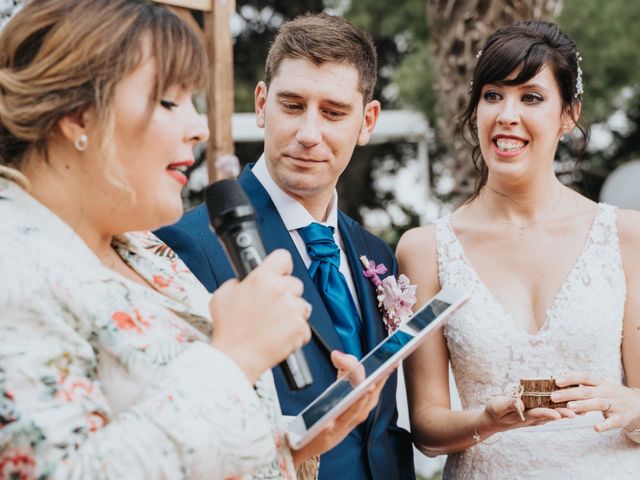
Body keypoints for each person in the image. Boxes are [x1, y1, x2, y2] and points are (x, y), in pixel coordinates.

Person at [0, 1, 390, 478]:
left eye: (194, 101)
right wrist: (235, 359)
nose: (200, 127)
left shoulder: (145, 250)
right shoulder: (13, 265)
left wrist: (295, 444)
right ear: (80, 114)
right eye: (169, 101)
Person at [156, 13, 414, 480]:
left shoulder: (376, 254)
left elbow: (382, 428)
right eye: (292, 106)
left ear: (367, 121)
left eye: (334, 112)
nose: (309, 133)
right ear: (261, 104)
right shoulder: (190, 245)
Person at [397, 20, 640, 479]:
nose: (507, 113)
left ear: (568, 115)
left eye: (530, 97)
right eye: (493, 95)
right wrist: (486, 421)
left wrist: (629, 404)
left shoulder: (627, 237)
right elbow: (427, 430)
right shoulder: (425, 249)